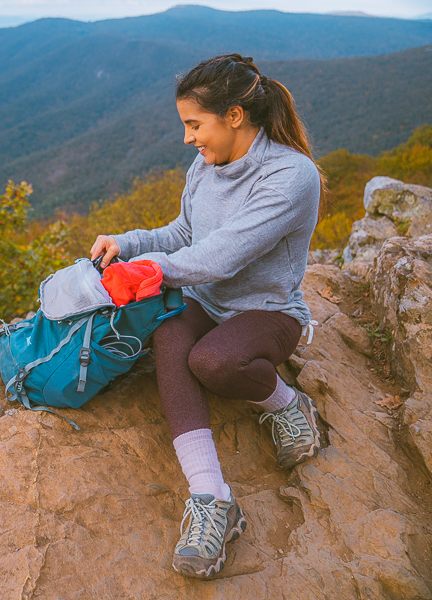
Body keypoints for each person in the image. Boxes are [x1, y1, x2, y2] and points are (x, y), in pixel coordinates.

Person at [89, 54, 325, 579]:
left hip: (268, 311)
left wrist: (147, 273)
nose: (189, 138)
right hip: (209, 302)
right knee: (169, 336)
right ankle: (212, 498)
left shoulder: (291, 176)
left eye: (195, 124)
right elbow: (183, 235)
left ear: (235, 116)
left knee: (214, 362)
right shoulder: (206, 166)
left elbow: (220, 256)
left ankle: (287, 404)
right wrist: (124, 244)